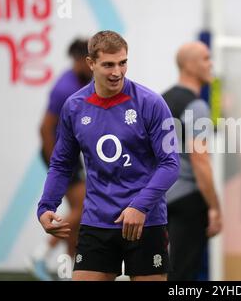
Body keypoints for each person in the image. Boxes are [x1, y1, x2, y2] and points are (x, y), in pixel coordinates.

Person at [36, 30, 180, 281]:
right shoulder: (74, 106)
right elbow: (61, 164)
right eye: (108, 64)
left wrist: (140, 206)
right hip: (97, 222)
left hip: (145, 222)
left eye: (123, 63)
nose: (117, 72)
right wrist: (47, 205)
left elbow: (170, 164)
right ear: (91, 63)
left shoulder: (152, 103)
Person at [28, 38, 91, 281]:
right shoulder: (64, 88)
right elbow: (44, 127)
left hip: (69, 153)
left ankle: (72, 271)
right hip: (59, 154)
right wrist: (58, 163)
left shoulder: (81, 82)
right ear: (79, 60)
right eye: (89, 60)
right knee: (83, 207)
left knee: (79, 212)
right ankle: (41, 253)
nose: (92, 64)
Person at [162, 42, 222, 281]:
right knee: (183, 275)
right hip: (188, 200)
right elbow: (200, 163)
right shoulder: (197, 106)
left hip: (160, 200)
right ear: (188, 65)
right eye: (206, 58)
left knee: (161, 272)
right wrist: (215, 207)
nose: (211, 64)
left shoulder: (160, 100)